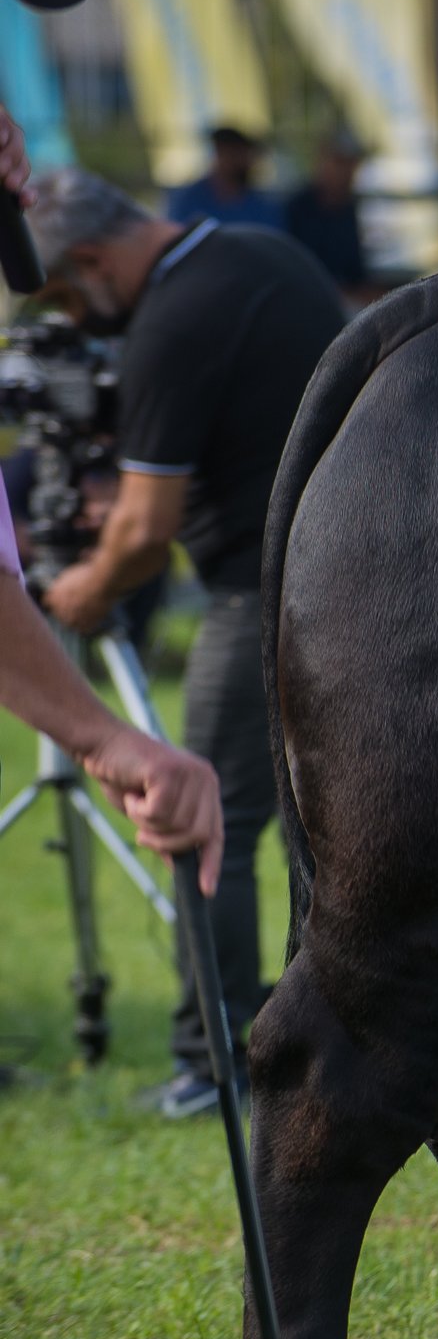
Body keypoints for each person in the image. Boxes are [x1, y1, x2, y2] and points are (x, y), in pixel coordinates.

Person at [28, 168, 346, 1118]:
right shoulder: (260, 254)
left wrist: (79, 587)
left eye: (69, 301)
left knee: (204, 821)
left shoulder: (170, 321)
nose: (81, 325)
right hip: (352, 572)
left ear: (92, 261)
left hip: (261, 593)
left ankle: (212, 1062)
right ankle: (328, 1036)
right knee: (322, 830)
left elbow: (143, 530)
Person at [0, 113, 222, 908]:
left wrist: (105, 737)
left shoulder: (174, 315)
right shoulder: (234, 265)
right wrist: (106, 737)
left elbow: (143, 531)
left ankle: (209, 1028)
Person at [282, 134, 372, 304]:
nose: (345, 171)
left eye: (350, 164)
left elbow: (355, 273)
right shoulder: (297, 208)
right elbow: (294, 271)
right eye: (338, 162)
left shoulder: (348, 208)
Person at [165, 125, 283, 231]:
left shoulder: (261, 205)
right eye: (233, 154)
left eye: (245, 154)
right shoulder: (188, 200)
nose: (243, 161)